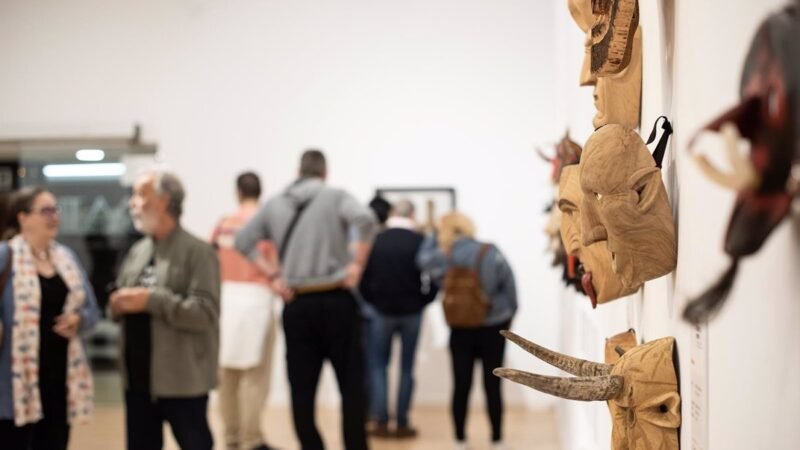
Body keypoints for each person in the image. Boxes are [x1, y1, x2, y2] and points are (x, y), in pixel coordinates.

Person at [235, 149, 376, 450]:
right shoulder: (335, 196)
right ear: (324, 172)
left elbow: (242, 240)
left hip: (297, 303)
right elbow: (366, 219)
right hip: (338, 300)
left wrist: (273, 276)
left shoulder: (275, 203)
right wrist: (356, 264)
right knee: (351, 388)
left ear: (298, 171)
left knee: (302, 390)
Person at [110, 171, 220, 450]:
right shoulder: (138, 251)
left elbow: (205, 313)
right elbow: (118, 299)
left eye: (140, 195)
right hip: (138, 378)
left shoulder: (198, 251)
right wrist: (117, 304)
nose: (133, 203)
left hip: (181, 381)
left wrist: (151, 300)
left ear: (163, 201)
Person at [0, 186, 100, 450]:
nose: (54, 216)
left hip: (60, 381)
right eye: (45, 210)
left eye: (56, 210)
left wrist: (78, 320)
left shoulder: (66, 258)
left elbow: (93, 311)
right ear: (23, 217)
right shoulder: (5, 256)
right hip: (16, 384)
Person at [416, 212, 517, 450]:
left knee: (461, 385)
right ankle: (496, 439)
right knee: (493, 385)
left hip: (460, 328)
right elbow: (510, 289)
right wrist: (506, 318)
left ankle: (460, 439)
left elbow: (420, 260)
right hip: (493, 327)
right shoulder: (490, 251)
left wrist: (432, 233)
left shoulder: (442, 256)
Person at [210, 172, 278, 450]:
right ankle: (252, 438)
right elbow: (276, 265)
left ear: (238, 192)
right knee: (255, 375)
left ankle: (231, 436)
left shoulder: (224, 224)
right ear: (260, 192)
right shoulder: (267, 225)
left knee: (227, 374)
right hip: (257, 299)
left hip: (226, 298)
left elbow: (210, 259)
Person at [359, 199, 436, 439]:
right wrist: (424, 300)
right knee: (406, 368)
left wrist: (372, 301)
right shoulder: (419, 240)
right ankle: (402, 422)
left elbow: (363, 278)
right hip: (412, 312)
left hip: (382, 311)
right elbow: (432, 277)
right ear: (412, 214)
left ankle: (381, 421)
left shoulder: (377, 240)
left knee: (378, 367)